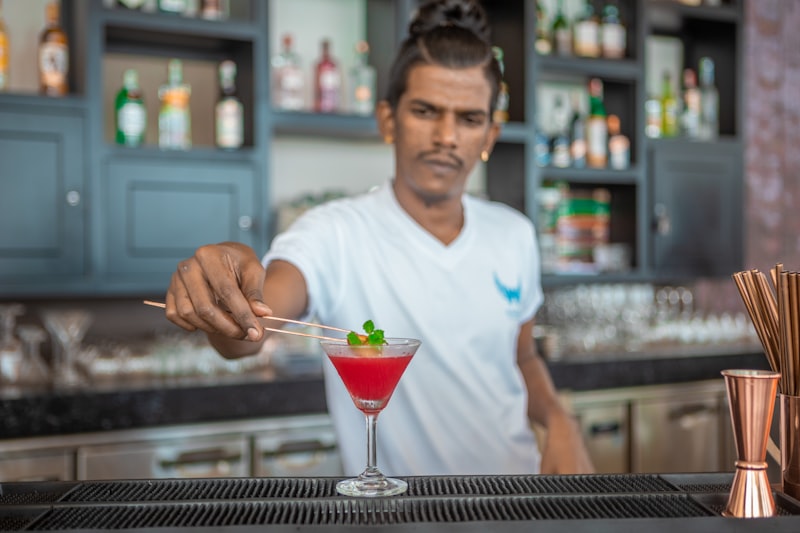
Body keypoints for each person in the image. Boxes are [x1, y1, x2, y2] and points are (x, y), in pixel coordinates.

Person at [165, 0, 594, 476]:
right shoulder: (332, 232)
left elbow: (523, 356)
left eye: (469, 119)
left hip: (516, 499)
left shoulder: (514, 233)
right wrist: (229, 286)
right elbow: (251, 332)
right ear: (388, 119)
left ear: (490, 134)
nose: (447, 136)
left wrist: (560, 418)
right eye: (426, 111)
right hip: (395, 515)